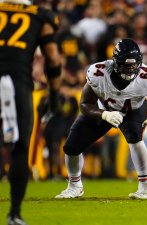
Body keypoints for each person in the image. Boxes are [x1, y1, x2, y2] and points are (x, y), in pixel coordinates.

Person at [54, 38, 147, 199]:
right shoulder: (99, 73)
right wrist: (104, 114)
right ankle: (74, 186)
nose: (130, 69)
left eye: (133, 65)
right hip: (104, 109)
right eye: (126, 65)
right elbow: (85, 104)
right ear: (115, 62)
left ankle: (145, 187)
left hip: (134, 109)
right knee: (71, 146)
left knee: (135, 139)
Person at [0, 1, 62, 224]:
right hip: (18, 83)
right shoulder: (39, 15)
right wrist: (54, 97)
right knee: (20, 149)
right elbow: (52, 59)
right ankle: (14, 214)